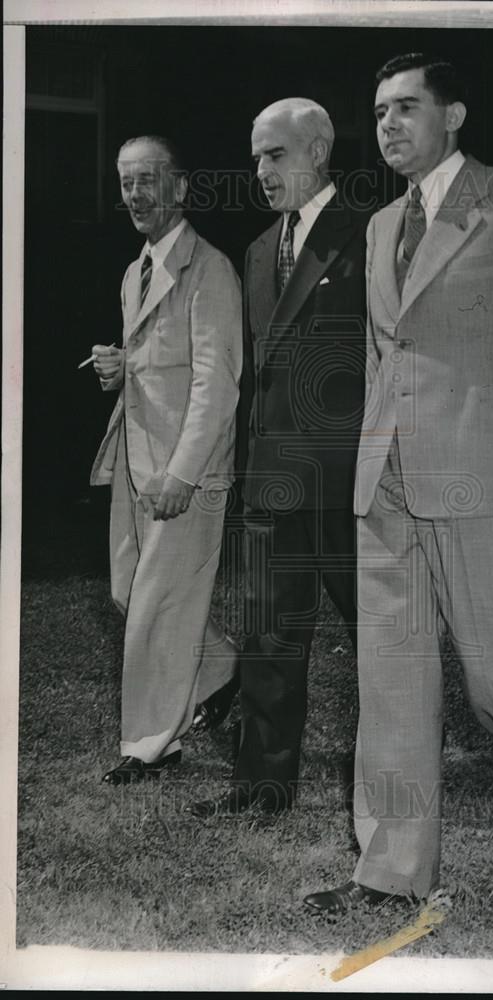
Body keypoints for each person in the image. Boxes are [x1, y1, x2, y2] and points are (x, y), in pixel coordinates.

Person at [304, 53, 493, 914]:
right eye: (379, 111)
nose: (389, 125)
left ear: (453, 113)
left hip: (481, 473)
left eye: (406, 107)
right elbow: (379, 351)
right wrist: (363, 460)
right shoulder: (379, 222)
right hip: (386, 476)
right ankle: (390, 869)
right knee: (390, 677)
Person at [188, 98, 367, 817]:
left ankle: (388, 790)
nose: (260, 170)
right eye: (256, 156)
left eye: (275, 154)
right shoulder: (260, 248)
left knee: (378, 644)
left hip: (352, 485)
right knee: (266, 639)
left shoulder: (371, 233)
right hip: (272, 484)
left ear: (318, 149)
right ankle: (262, 786)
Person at [91, 135, 242, 785]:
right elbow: (161, 361)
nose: (135, 194)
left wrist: (184, 474)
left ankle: (153, 743)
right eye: (126, 182)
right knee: (129, 590)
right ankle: (220, 671)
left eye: (148, 179)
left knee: (155, 603)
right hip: (136, 456)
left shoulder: (210, 269)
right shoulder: (137, 270)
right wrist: (121, 368)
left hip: (186, 467)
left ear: (181, 188)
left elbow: (217, 383)